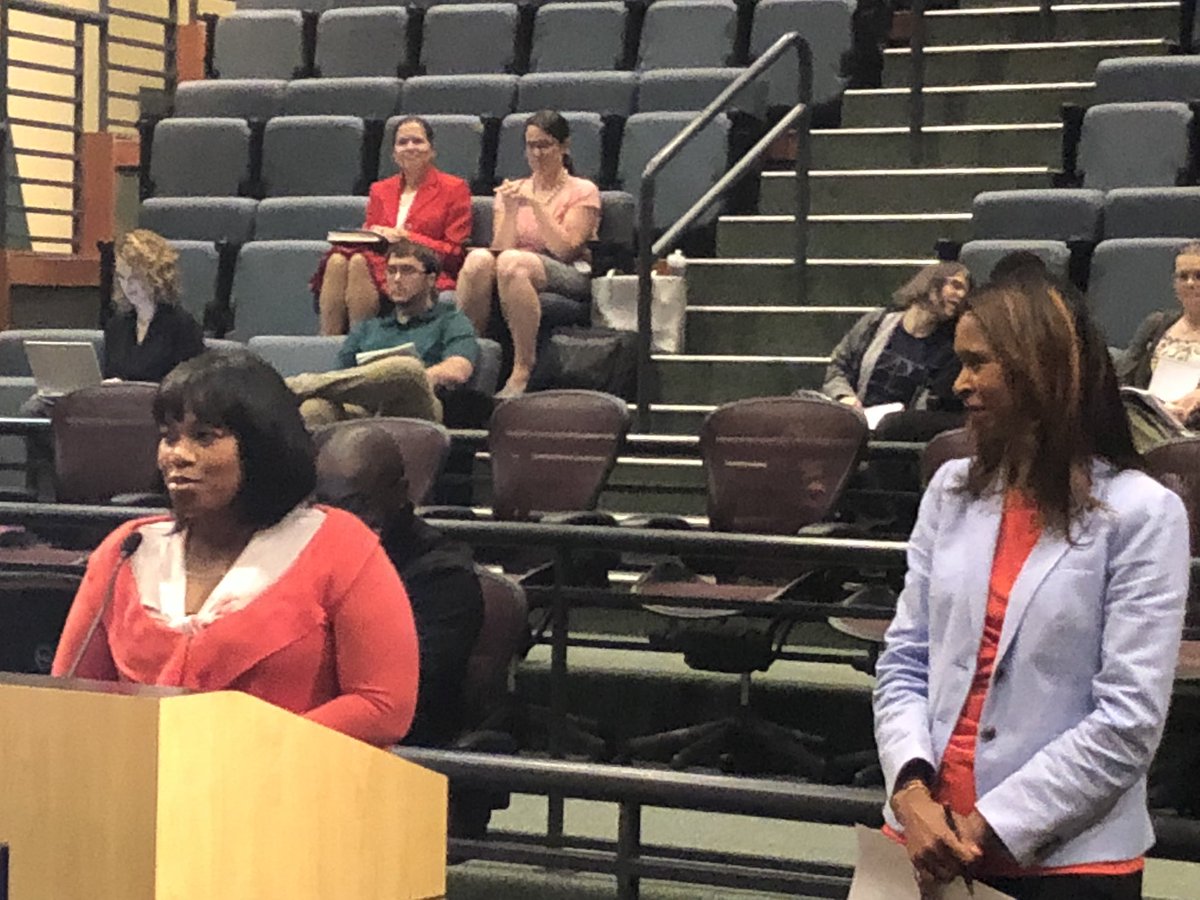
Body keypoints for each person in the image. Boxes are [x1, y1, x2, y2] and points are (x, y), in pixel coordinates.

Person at [873, 280, 1189, 900]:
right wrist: (910, 790)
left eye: (976, 364)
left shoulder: (1143, 513)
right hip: (920, 842)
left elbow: (1129, 719)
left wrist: (989, 825)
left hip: (1065, 863)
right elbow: (906, 660)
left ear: (1038, 370)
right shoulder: (952, 490)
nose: (958, 384)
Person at [50, 349, 420, 747]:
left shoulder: (339, 545)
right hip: (140, 793)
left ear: (262, 445)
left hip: (291, 791)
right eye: (169, 436)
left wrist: (241, 753)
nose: (178, 454)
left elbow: (383, 706)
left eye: (204, 437)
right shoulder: (127, 550)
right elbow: (70, 699)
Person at [313, 423, 484, 748]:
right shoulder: (307, 549)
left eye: (355, 504)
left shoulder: (443, 574)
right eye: (324, 503)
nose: (338, 517)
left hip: (403, 752)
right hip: (316, 738)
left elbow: (405, 692)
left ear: (400, 491)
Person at [455, 110, 601, 397]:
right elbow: (501, 247)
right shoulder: (513, 190)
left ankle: (523, 366)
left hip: (569, 273)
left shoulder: (583, 190)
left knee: (513, 262)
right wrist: (510, 210)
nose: (537, 153)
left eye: (544, 145)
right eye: (531, 145)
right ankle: (469, 354)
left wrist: (536, 205)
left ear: (563, 146)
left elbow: (566, 249)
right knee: (478, 260)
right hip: (517, 267)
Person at [289, 240, 479, 427]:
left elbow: (458, 370)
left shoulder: (450, 320)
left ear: (430, 279)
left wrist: (411, 378)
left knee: (407, 368)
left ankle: (293, 387)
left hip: (418, 408)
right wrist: (378, 382)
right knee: (315, 408)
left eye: (407, 270)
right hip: (364, 407)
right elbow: (341, 375)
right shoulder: (368, 327)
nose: (396, 279)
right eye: (391, 271)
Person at [311, 116, 472, 335]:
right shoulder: (380, 189)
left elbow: (455, 254)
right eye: (403, 142)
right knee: (338, 260)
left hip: (424, 268)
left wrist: (407, 236)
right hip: (381, 260)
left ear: (432, 150)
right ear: (394, 154)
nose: (410, 147)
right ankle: (328, 342)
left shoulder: (454, 188)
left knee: (359, 262)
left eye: (417, 141)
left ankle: (359, 342)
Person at [823, 261, 970, 421]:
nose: (961, 295)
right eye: (955, 285)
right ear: (931, 284)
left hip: (900, 430)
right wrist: (844, 397)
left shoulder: (949, 350)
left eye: (965, 292)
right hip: (854, 417)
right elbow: (838, 367)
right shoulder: (877, 322)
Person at [1117, 240, 1200, 430]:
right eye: (1183, 276)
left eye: (1199, 276)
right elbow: (1124, 379)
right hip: (1150, 425)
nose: (1190, 283)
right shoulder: (1156, 325)